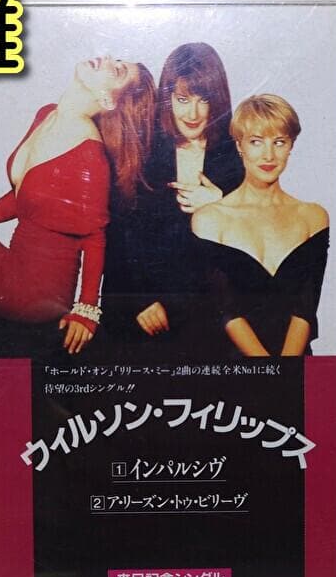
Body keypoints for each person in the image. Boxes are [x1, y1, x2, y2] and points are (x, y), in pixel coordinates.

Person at [0, 56, 155, 357]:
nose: (106, 59)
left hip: (38, 292)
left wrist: (86, 310)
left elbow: (95, 237)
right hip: (14, 262)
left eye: (117, 70)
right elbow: (26, 198)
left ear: (108, 99)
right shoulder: (46, 114)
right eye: (114, 58)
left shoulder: (89, 154)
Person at [100, 43, 243, 360]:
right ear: (168, 98)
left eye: (204, 100)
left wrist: (222, 207)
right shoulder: (145, 145)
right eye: (182, 99)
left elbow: (255, 247)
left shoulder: (236, 154)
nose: (193, 114)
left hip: (210, 319)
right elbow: (117, 234)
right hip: (143, 314)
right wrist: (138, 301)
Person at [191, 94, 329, 357]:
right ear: (239, 145)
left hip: (295, 364)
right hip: (233, 367)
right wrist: (268, 370)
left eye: (279, 142)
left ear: (291, 145)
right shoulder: (210, 219)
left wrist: (285, 369)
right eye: (256, 141)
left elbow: (305, 309)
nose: (269, 155)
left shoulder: (313, 217)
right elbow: (227, 311)